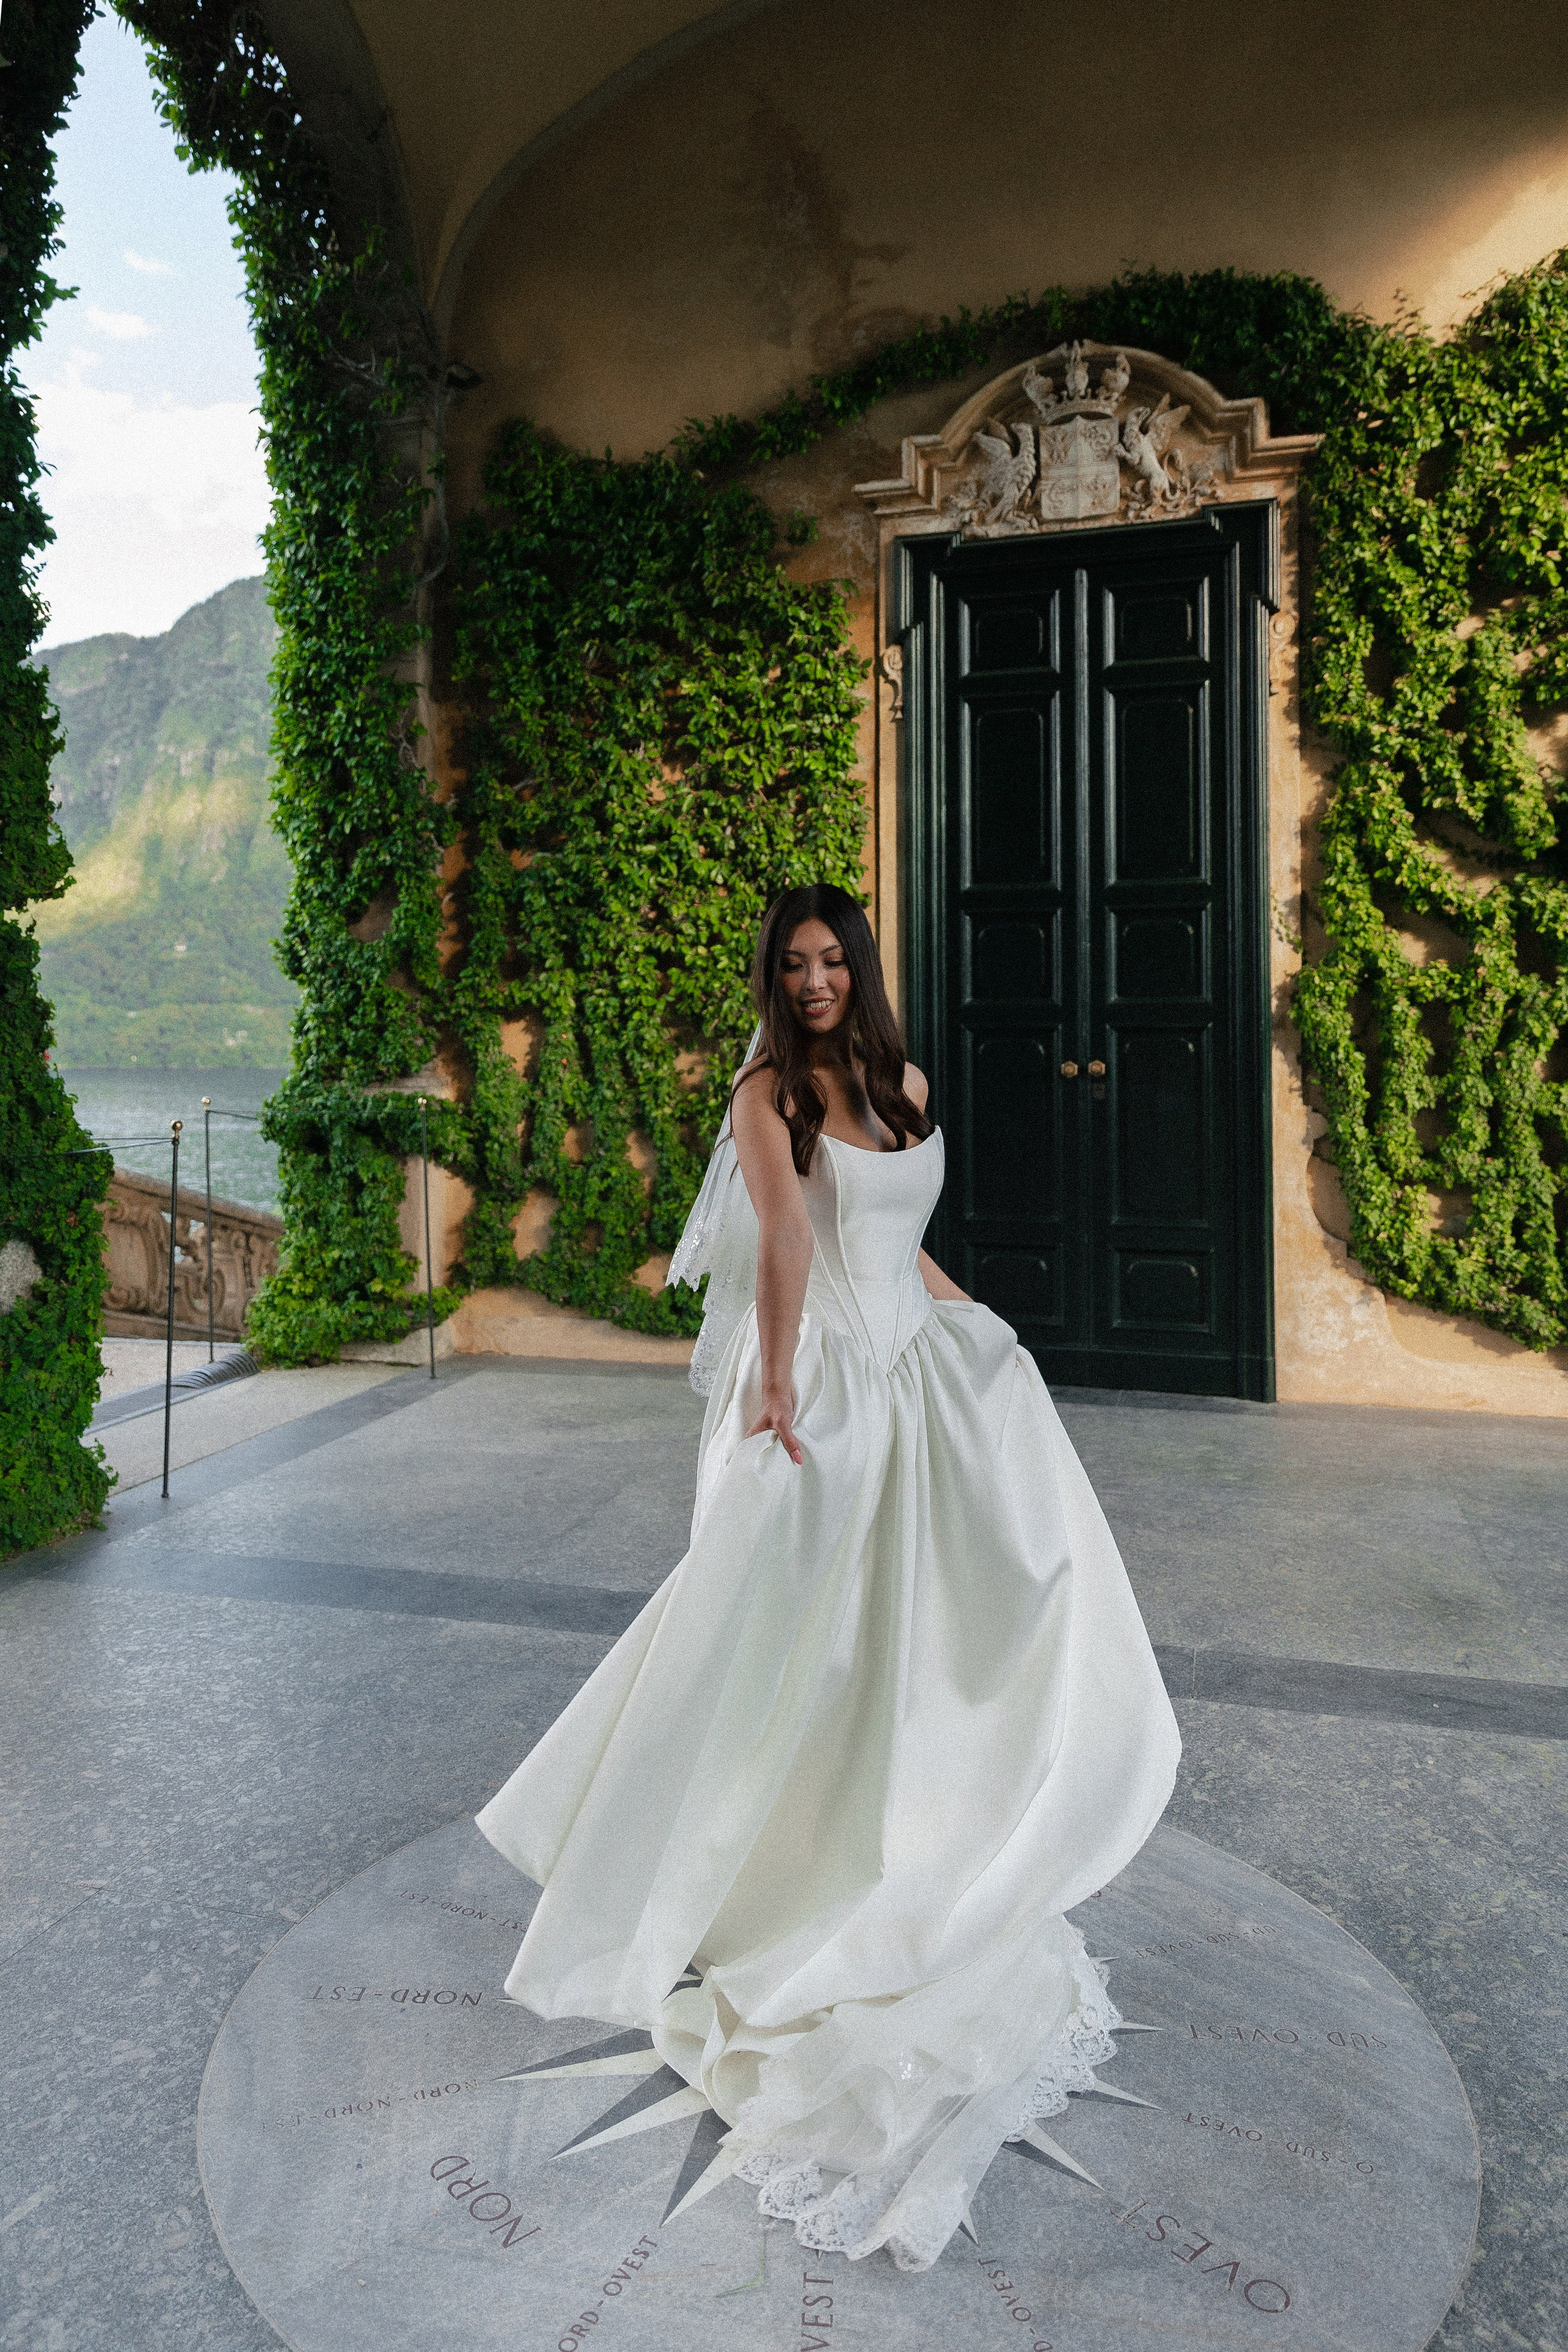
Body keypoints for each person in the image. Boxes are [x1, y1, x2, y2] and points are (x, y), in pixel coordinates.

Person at [476, 881, 1180, 2272]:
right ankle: (728, 1876)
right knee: (782, 1630)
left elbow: (893, 1235)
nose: (810, 982)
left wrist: (972, 1319)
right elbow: (790, 1246)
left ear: (857, 968)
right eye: (789, 965)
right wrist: (784, 1386)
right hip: (822, 1381)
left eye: (827, 960)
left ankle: (906, 1831)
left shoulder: (902, 1083)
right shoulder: (767, 1101)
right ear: (773, 976)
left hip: (913, 1358)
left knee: (943, 1620)